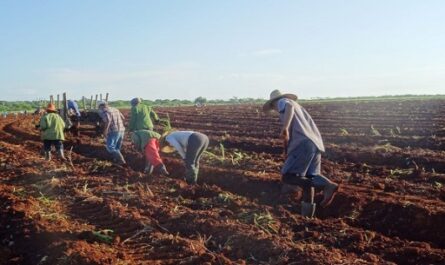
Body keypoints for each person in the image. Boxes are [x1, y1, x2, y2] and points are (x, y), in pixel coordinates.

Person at [263, 90, 339, 218]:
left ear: (273, 103)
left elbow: (289, 106)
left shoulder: (283, 102)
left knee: (287, 176)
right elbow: (288, 137)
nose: (275, 110)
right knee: (309, 178)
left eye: (273, 107)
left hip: (302, 143)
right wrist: (286, 151)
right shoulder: (298, 110)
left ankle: (328, 185)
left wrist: (285, 126)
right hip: (314, 143)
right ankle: (307, 217)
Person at [97, 101, 126, 165]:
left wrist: (105, 131)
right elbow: (123, 118)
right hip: (122, 130)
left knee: (110, 147)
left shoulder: (104, 111)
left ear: (101, 106)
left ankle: (121, 160)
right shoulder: (115, 109)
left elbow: (108, 121)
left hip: (113, 131)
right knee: (117, 147)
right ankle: (115, 159)